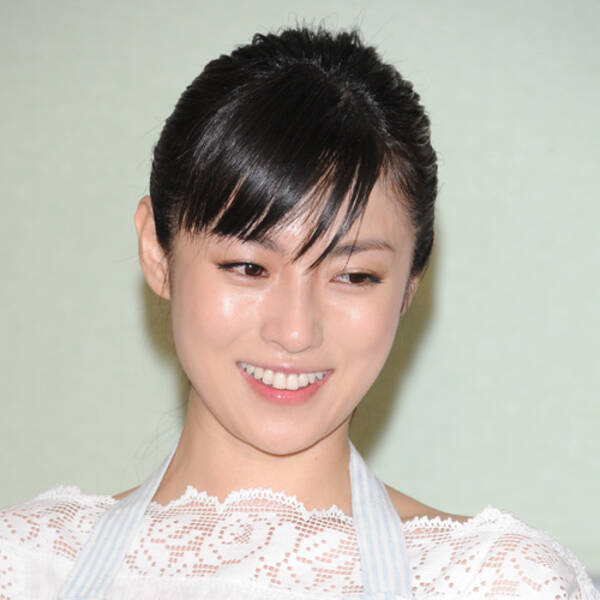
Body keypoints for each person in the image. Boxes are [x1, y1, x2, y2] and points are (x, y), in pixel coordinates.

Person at [0, 26, 597, 600]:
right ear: (157, 253)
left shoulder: (500, 584)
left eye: (354, 276)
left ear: (411, 283)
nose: (294, 331)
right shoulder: (24, 566)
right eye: (247, 267)